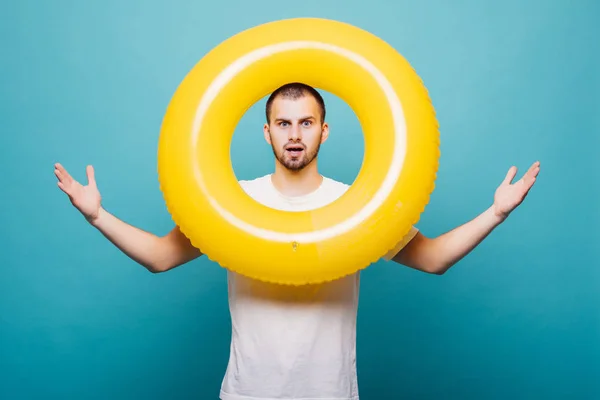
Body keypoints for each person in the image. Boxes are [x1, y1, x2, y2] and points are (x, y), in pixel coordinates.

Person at [54, 82, 540, 400]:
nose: (294, 135)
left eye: (306, 123)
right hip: (247, 394)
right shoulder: (230, 203)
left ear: (324, 132)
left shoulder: (357, 206)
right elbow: (161, 257)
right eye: (283, 124)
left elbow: (432, 258)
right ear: (266, 132)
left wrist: (495, 212)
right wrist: (99, 216)